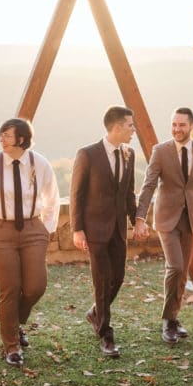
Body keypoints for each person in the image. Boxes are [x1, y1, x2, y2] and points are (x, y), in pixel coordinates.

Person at [0, 118, 60, 366]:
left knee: (36, 286)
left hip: (32, 229)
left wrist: (45, 229)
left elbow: (53, 198)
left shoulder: (40, 163)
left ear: (22, 139)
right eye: (1, 135)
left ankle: (15, 324)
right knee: (9, 288)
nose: (2, 139)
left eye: (7, 135)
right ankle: (12, 345)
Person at [133, 107, 193, 344]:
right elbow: (148, 186)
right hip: (166, 218)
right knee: (176, 267)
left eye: (182, 125)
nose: (177, 129)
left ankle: (174, 318)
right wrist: (140, 217)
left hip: (191, 220)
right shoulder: (160, 151)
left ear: (191, 126)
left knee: (183, 271)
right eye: (174, 124)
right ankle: (168, 321)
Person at [70, 105, 138, 358]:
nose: (133, 130)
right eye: (131, 125)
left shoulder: (129, 154)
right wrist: (77, 229)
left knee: (117, 277)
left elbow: (129, 193)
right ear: (118, 126)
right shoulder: (87, 154)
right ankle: (106, 334)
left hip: (118, 229)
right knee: (101, 280)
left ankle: (95, 313)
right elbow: (76, 193)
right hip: (94, 228)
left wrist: (136, 219)